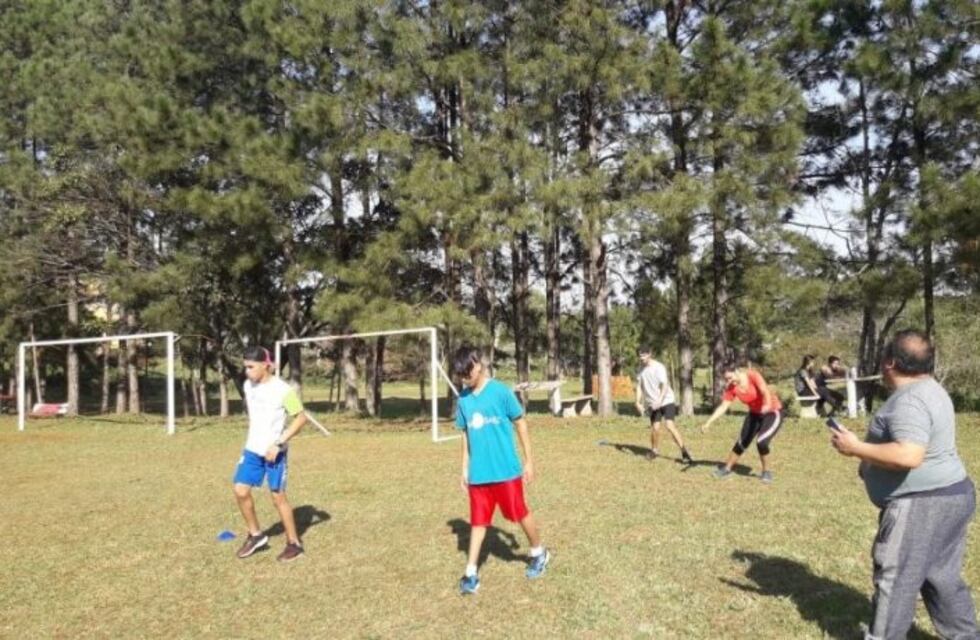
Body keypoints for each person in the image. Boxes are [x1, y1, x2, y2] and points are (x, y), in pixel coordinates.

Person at [831, 330, 978, 639]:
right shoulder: (931, 389)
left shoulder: (908, 401)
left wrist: (855, 447)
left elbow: (909, 455)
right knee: (941, 577)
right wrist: (869, 461)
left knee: (894, 578)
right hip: (952, 494)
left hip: (922, 504)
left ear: (890, 363)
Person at [453, 345, 550, 595]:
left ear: (479, 365)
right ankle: (471, 572)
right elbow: (465, 434)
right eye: (461, 375)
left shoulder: (500, 392)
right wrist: (464, 468)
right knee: (478, 521)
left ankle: (539, 552)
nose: (466, 379)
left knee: (518, 513)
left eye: (468, 373)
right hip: (479, 474)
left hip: (506, 471)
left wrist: (529, 461)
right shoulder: (463, 400)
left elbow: (521, 423)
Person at [232, 346, 309, 562]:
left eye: (251, 367)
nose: (247, 371)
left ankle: (294, 543)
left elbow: (301, 418)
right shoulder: (248, 385)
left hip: (275, 452)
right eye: (245, 366)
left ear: (266, 365)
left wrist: (278, 443)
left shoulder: (283, 390)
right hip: (252, 450)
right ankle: (256, 536)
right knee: (240, 491)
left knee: (278, 498)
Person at [700, 360, 784, 484]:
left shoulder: (752, 375)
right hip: (754, 414)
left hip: (772, 412)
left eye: (730, 377)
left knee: (762, 442)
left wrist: (766, 405)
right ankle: (727, 468)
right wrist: (708, 422)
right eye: (726, 379)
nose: (729, 382)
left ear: (737, 371)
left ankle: (766, 472)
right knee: (742, 442)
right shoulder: (732, 387)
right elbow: (723, 406)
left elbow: (764, 391)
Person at [634, 347, 693, 464]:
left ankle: (684, 452)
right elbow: (639, 386)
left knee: (669, 425)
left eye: (644, 355)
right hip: (653, 404)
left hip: (666, 400)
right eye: (640, 355)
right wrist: (637, 402)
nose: (642, 358)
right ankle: (654, 451)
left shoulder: (659, 367)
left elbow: (665, 385)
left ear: (650, 354)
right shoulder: (640, 370)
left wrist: (660, 401)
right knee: (655, 428)